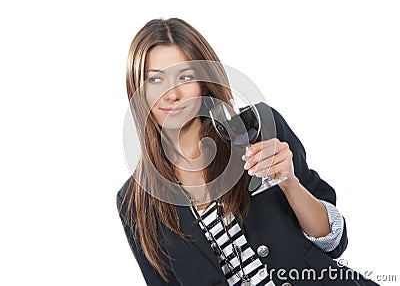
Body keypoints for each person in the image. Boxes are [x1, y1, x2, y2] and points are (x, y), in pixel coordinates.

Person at [117, 18, 378, 286]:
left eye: (184, 76)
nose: (171, 94)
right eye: (155, 79)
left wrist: (290, 182)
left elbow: (333, 241)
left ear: (203, 82)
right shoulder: (134, 203)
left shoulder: (259, 127)